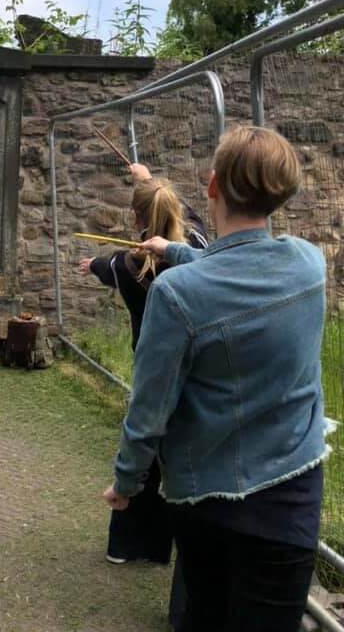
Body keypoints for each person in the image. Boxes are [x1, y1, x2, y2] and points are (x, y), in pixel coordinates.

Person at [103, 126, 327, 632]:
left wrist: (127, 482)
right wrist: (176, 249)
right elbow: (241, 264)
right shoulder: (310, 264)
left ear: (212, 186)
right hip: (292, 501)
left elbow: (149, 407)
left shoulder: (177, 295)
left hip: (208, 505)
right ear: (283, 192)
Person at [78, 162, 208, 567]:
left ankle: (126, 546)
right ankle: (159, 549)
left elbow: (101, 267)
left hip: (152, 370)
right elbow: (187, 221)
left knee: (143, 451)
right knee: (174, 456)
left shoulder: (126, 265)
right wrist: (148, 183)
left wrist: (89, 265)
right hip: (194, 373)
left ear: (136, 219)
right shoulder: (200, 252)